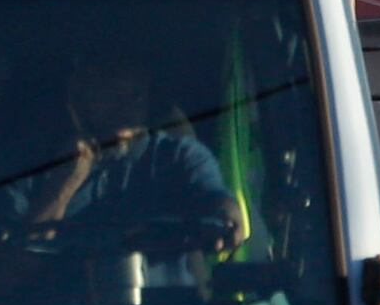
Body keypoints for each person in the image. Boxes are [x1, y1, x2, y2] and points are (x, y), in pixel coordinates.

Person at [17, 61, 247, 288]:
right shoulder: (34, 168)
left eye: (135, 95)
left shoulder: (178, 156)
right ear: (78, 99)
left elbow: (213, 195)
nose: (125, 106)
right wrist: (64, 183)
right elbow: (9, 272)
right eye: (111, 93)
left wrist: (226, 216)